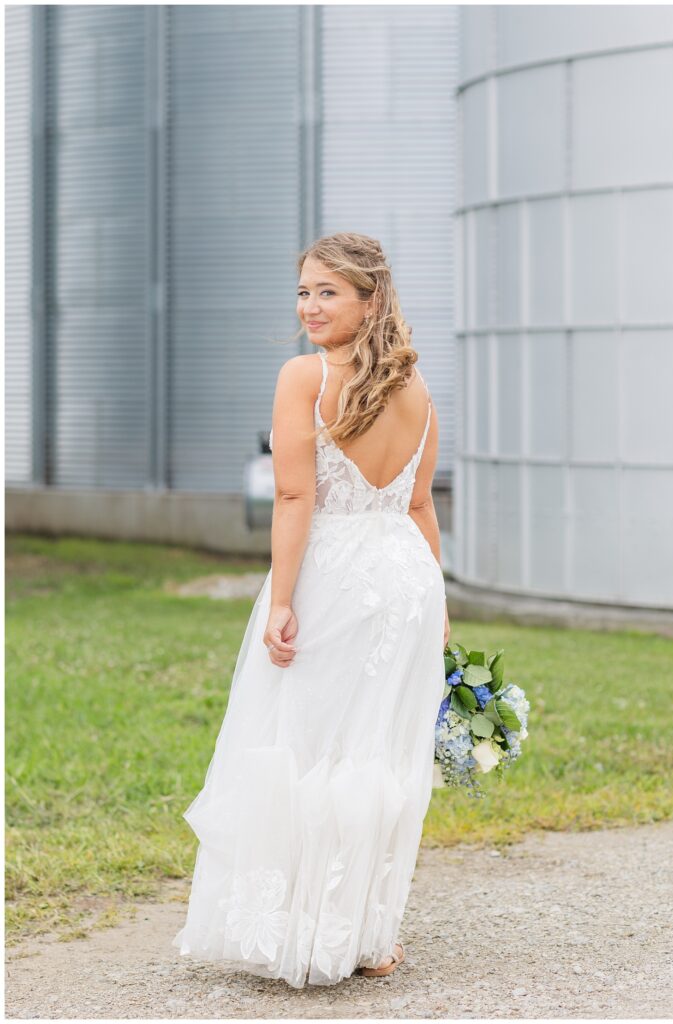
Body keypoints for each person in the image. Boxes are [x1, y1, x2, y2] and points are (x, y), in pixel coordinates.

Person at [172, 232, 450, 988]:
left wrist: (282, 601)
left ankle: (307, 929)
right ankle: (367, 934)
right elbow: (421, 506)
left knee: (308, 742)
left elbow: (296, 496)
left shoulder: (304, 377)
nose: (310, 306)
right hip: (405, 577)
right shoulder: (417, 388)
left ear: (371, 299)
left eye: (328, 291)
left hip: (335, 573)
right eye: (303, 291)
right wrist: (439, 605)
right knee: (377, 753)